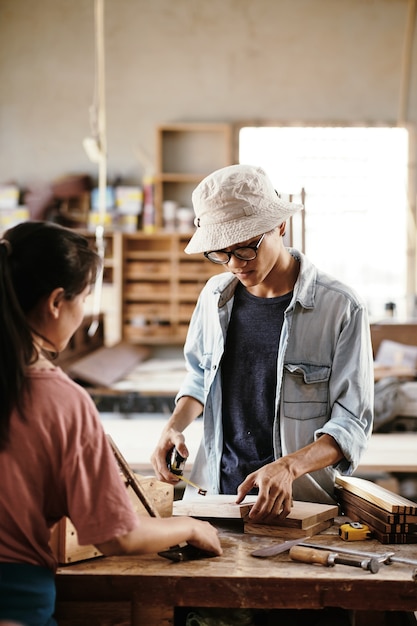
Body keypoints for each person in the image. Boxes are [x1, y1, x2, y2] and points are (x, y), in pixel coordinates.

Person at [0, 221, 222, 626]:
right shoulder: (62, 401)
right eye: (83, 298)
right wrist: (189, 527)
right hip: (16, 603)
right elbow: (114, 535)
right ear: (55, 303)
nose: (83, 312)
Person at [151, 163, 374, 525]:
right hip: (217, 500)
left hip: (300, 508)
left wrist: (289, 467)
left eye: (245, 249)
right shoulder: (213, 297)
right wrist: (173, 426)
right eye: (221, 253)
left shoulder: (341, 307)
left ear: (280, 226)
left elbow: (351, 424)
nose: (235, 264)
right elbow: (198, 378)